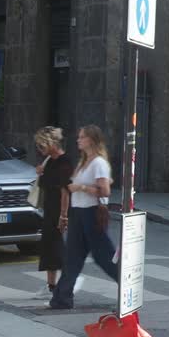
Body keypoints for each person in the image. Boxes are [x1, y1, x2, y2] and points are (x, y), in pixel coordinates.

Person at [50, 125, 119, 309]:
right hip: (78, 211)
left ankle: (129, 287)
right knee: (73, 256)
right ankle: (61, 298)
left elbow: (105, 190)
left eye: (81, 137)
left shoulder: (99, 163)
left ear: (91, 140)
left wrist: (80, 188)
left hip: (92, 212)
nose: (78, 140)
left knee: (103, 256)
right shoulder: (83, 162)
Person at [33, 127, 72, 293]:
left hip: (59, 209)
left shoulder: (65, 162)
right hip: (49, 208)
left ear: (51, 144)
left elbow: (65, 191)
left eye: (42, 146)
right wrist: (40, 172)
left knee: (57, 248)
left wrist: (63, 216)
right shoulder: (49, 160)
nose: (40, 150)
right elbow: (44, 185)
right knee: (49, 246)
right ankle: (51, 285)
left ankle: (65, 283)